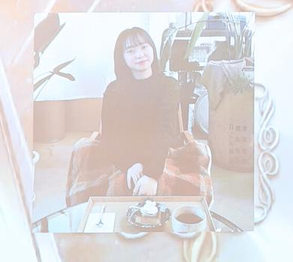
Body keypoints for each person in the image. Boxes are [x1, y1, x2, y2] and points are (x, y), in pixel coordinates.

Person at [66, 26, 209, 205]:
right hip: (123, 152)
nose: (139, 55)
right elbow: (110, 134)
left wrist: (151, 174)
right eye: (131, 51)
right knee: (84, 152)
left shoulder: (169, 85)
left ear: (152, 49)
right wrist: (129, 164)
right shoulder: (114, 89)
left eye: (144, 47)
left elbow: (164, 132)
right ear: (122, 57)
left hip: (162, 152)